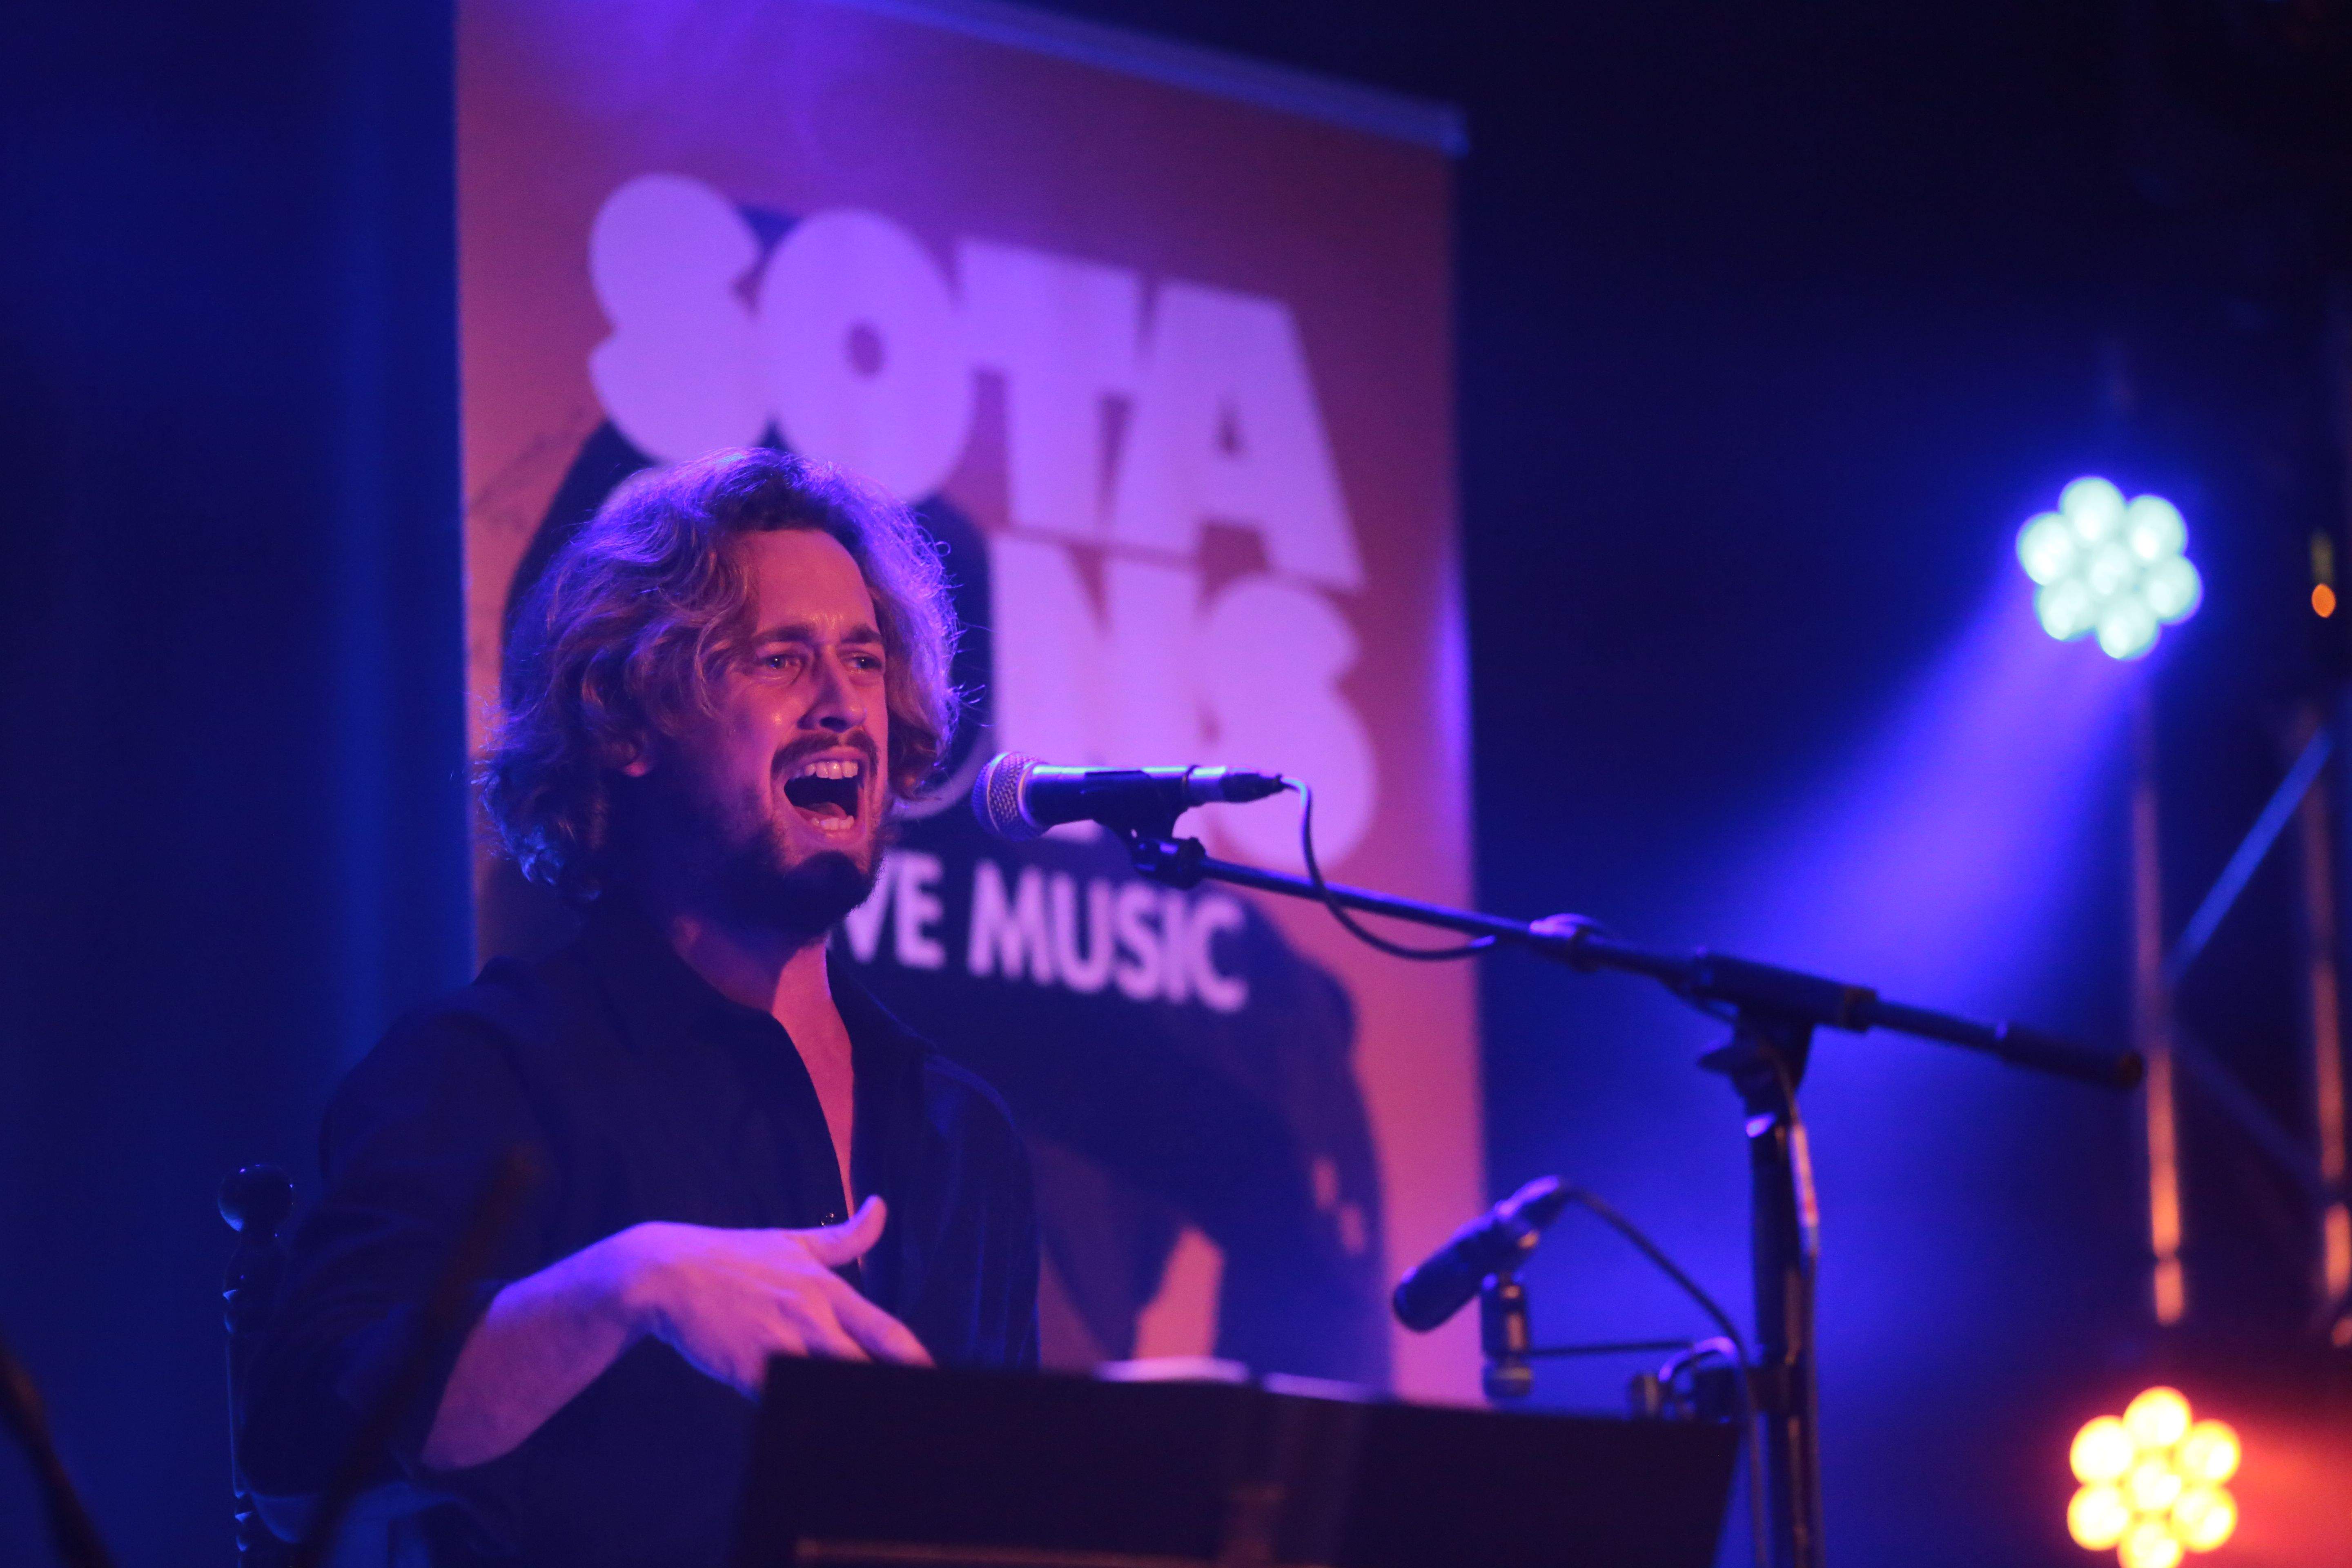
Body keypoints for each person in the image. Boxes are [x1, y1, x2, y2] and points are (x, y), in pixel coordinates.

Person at [241, 448, 1039, 1568]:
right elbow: (294, 1455)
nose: (840, 703)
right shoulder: (487, 1073)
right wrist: (630, 1288)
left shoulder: (962, 1134)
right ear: (625, 726)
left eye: (863, 659)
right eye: (780, 659)